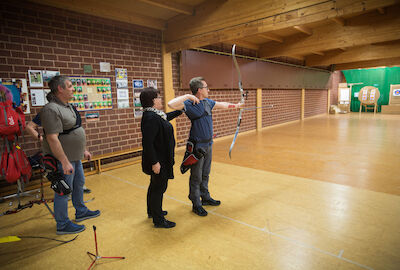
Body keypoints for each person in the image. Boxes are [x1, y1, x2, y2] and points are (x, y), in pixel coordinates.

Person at [168, 77, 243, 217]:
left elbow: (223, 105)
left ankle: (205, 197)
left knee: (205, 173)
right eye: (206, 87)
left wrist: (237, 105)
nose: (209, 90)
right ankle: (196, 203)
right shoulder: (189, 103)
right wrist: (187, 96)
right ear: (199, 90)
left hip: (208, 144)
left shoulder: (208, 102)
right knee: (196, 176)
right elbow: (171, 104)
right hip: (197, 146)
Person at [40, 75, 100, 235]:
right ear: (60, 89)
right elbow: (52, 138)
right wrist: (64, 161)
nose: (73, 88)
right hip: (63, 160)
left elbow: (73, 130)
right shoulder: (51, 109)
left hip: (75, 156)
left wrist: (83, 150)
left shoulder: (67, 106)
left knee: (79, 184)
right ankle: (62, 224)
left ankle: (81, 211)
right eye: (70, 86)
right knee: (63, 191)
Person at [140, 87, 190, 228]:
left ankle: (153, 211)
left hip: (160, 158)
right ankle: (159, 220)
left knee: (154, 186)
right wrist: (155, 162)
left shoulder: (154, 115)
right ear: (153, 100)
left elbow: (165, 118)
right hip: (158, 160)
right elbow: (147, 143)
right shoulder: (150, 117)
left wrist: (180, 111)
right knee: (159, 188)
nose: (161, 99)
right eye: (158, 97)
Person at [26, 113, 92, 194]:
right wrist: (42, 139)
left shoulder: (71, 110)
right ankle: (65, 196)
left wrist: (84, 150)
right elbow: (29, 127)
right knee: (66, 182)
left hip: (74, 152)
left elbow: (76, 133)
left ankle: (78, 192)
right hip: (60, 153)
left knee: (80, 179)